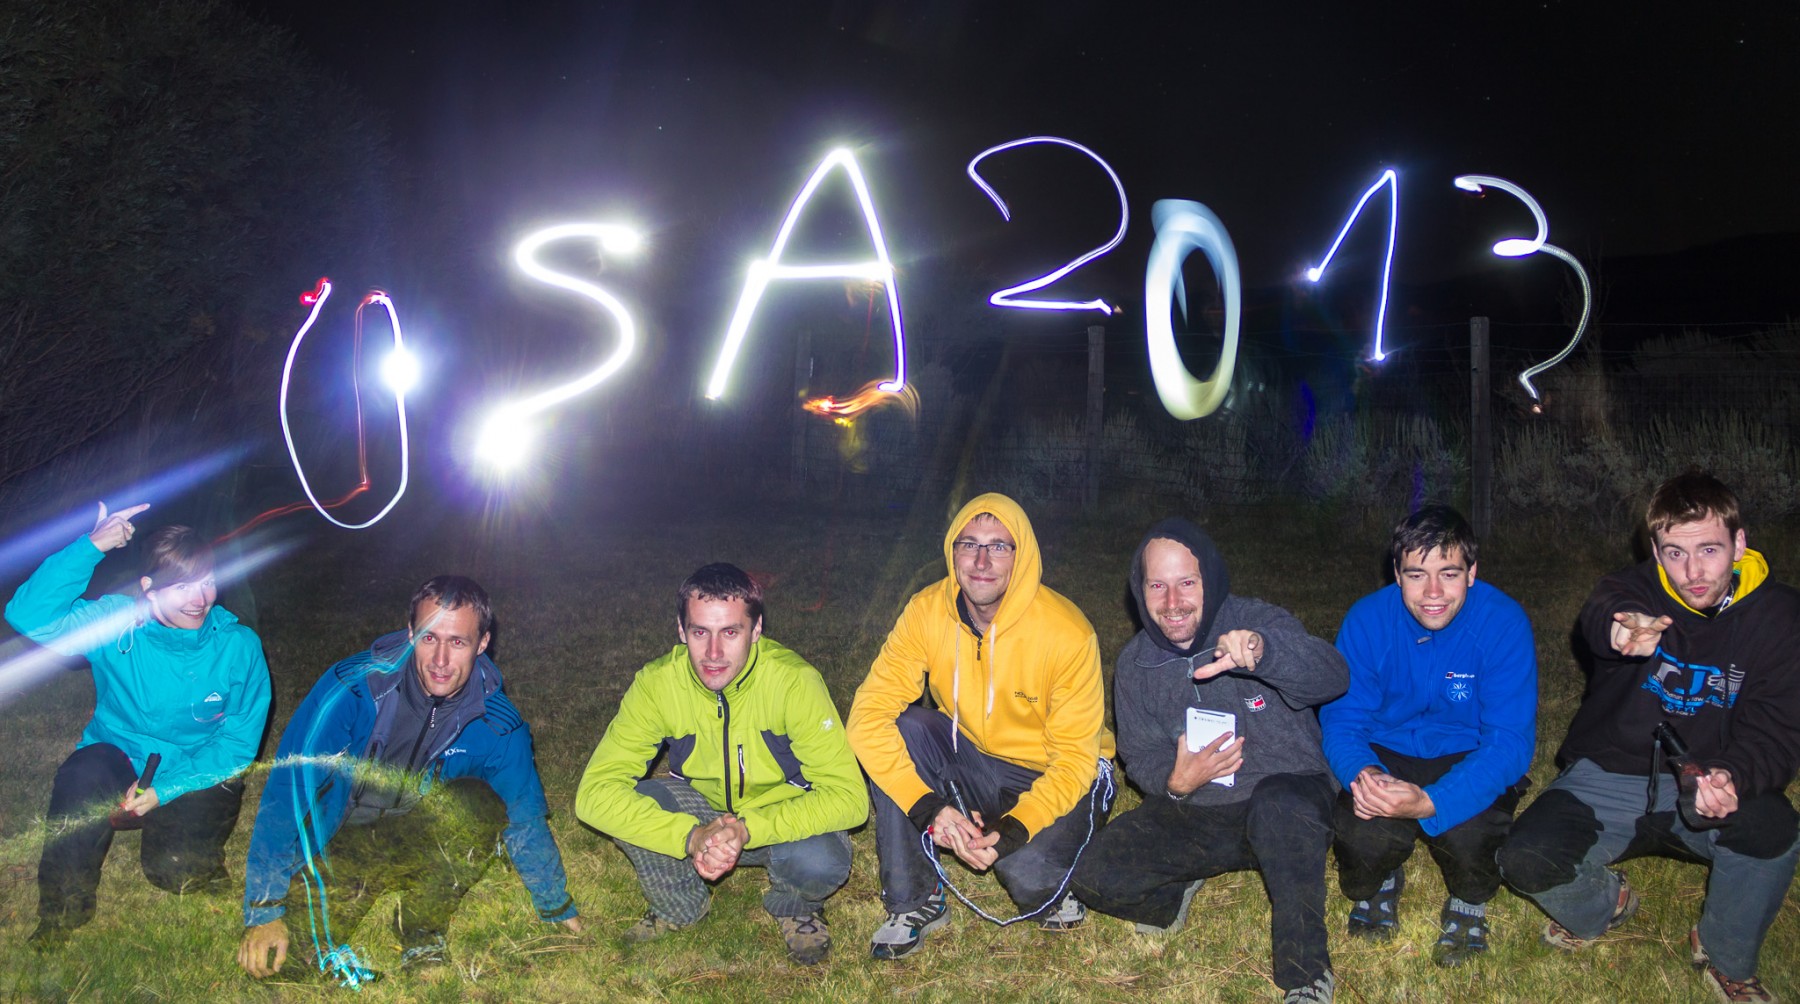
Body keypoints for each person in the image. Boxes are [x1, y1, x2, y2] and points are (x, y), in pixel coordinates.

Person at [1499, 472, 1800, 1004]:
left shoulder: (1779, 616)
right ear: (1656, 552)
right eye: (1675, 553)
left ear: (1739, 544)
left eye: (1709, 550)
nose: (1693, 571)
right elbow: (1604, 611)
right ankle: (1607, 904)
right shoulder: (1635, 590)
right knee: (1524, 856)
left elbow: (1780, 729)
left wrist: (1734, 774)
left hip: (1708, 776)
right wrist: (1619, 632)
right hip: (1611, 774)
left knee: (1774, 828)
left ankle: (1724, 955)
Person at [237, 575, 581, 981]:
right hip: (338, 837)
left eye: (458, 642)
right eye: (430, 638)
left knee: (480, 803)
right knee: (285, 964)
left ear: (482, 643)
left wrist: (556, 905)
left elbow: (524, 814)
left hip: (416, 836)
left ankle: (421, 929)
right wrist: (265, 907)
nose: (441, 660)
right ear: (410, 633)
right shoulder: (354, 688)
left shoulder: (497, 722)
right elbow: (288, 791)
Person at [1071, 519, 1347, 1004]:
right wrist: (1174, 783)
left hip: (1285, 800)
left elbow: (1333, 677)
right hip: (1201, 809)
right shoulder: (1136, 664)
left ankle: (1306, 975)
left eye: (1187, 583)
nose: (1172, 602)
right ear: (1140, 589)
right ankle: (1175, 892)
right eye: (1157, 585)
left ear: (1210, 580)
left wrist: (1264, 653)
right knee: (1093, 873)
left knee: (1282, 810)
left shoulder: (1256, 623)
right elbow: (1139, 753)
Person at [848, 493, 1114, 958]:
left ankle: (1058, 871)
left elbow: (1074, 760)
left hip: (1060, 771)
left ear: (1022, 555)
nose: (982, 561)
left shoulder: (1068, 633)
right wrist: (927, 808)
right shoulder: (928, 611)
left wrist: (1015, 829)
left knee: (1025, 875)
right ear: (952, 552)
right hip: (973, 758)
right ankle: (917, 900)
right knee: (906, 726)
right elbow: (867, 716)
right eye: (969, 544)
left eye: (999, 546)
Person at [7, 502, 271, 950]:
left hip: (192, 770)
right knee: (81, 773)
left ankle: (191, 855)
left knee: (176, 875)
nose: (199, 599)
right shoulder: (118, 624)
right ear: (149, 588)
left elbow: (236, 745)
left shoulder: (238, 647)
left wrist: (164, 790)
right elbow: (28, 616)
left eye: (207, 581)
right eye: (182, 586)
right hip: (119, 761)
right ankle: (61, 911)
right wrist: (91, 547)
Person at [575, 563, 867, 965]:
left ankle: (796, 906)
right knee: (635, 800)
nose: (713, 653)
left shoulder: (793, 682)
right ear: (681, 631)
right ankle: (680, 906)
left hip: (778, 817)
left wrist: (748, 828)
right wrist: (691, 836)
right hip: (700, 813)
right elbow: (593, 795)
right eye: (700, 632)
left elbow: (850, 799)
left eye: (730, 632)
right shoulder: (658, 685)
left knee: (820, 858)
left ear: (756, 629)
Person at [1319, 505, 1536, 966]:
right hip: (1386, 750)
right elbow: (1342, 720)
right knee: (1360, 837)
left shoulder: (1503, 623)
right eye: (1417, 575)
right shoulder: (1367, 620)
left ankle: (1468, 902)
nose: (1433, 592)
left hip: (1468, 751)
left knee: (1474, 836)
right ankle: (1381, 880)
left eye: (1449, 574)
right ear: (1397, 574)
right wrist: (1365, 774)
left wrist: (1431, 802)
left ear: (1472, 573)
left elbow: (1509, 743)